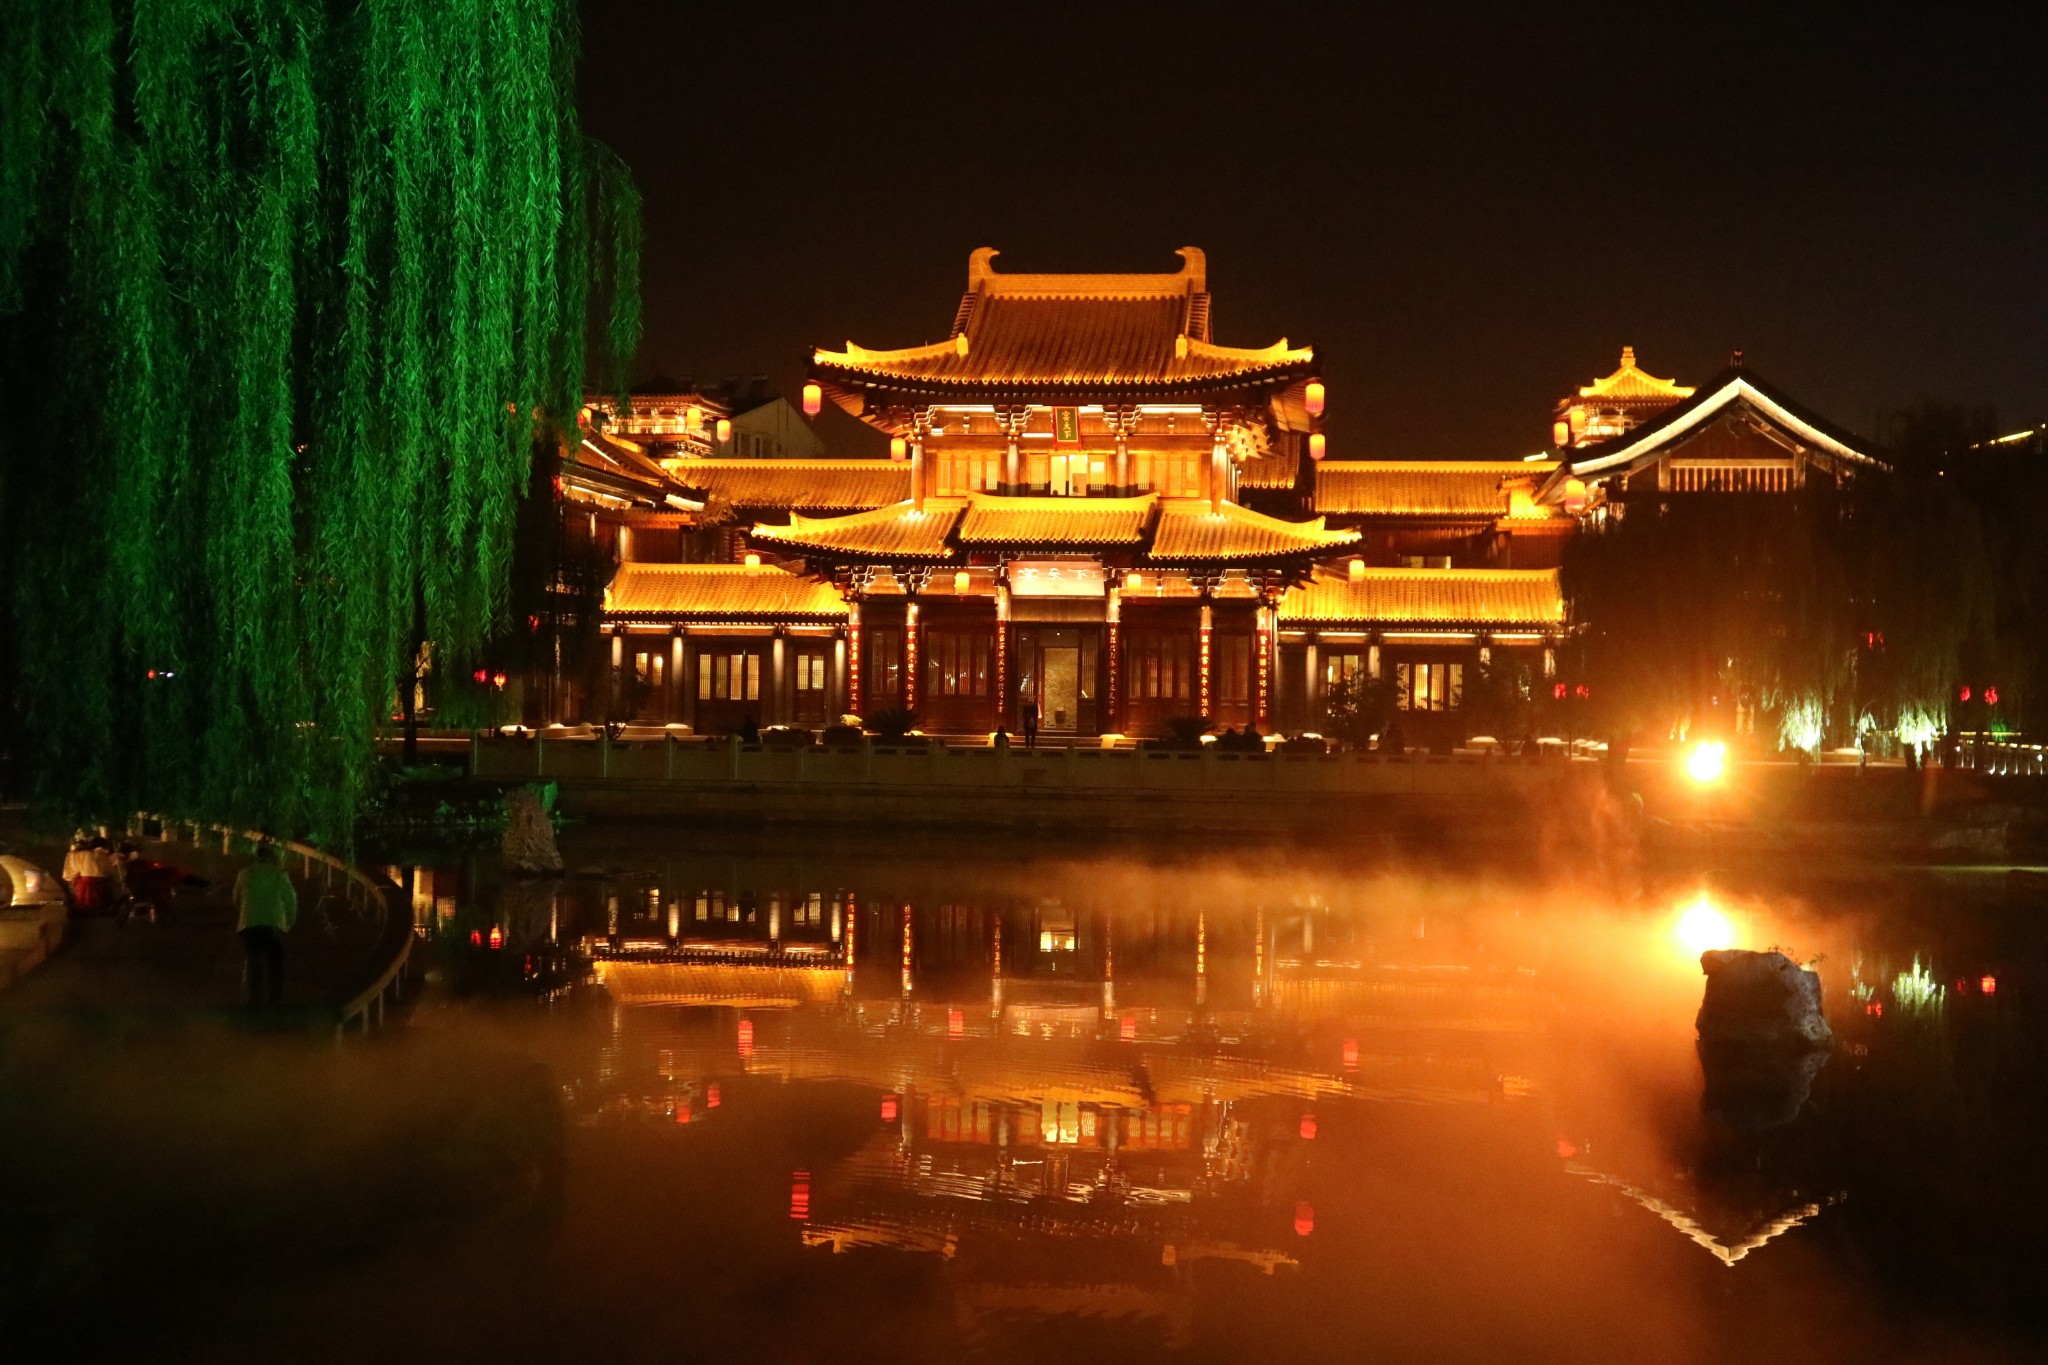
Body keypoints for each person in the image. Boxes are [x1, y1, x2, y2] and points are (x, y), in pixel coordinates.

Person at [232, 843, 298, 1006]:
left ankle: (255, 998)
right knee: (275, 960)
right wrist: (290, 921)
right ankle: (274, 998)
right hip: (273, 923)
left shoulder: (244, 874)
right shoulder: (279, 874)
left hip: (249, 923)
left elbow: (236, 898)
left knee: (253, 959)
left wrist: (243, 913)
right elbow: (291, 899)